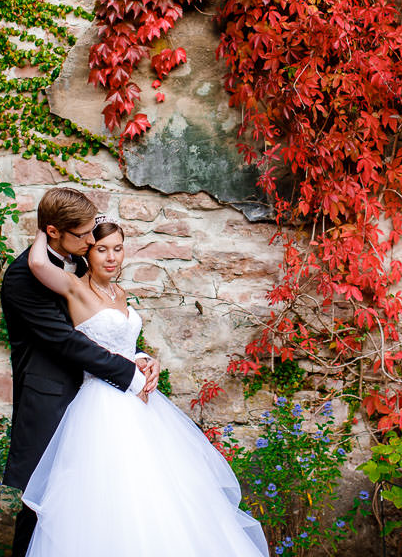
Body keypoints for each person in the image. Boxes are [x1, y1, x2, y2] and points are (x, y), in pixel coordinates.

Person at [20, 218, 268, 557]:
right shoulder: (75, 287)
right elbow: (37, 264)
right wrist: (44, 224)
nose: (111, 257)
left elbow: (121, 342)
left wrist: (145, 358)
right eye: (102, 249)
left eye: (118, 249)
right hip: (101, 405)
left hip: (141, 402)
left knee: (163, 492)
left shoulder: (119, 293)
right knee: (114, 492)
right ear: (88, 253)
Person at [0, 188, 160, 557]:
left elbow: (100, 323)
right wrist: (130, 374)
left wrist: (139, 356)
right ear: (53, 232)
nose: (92, 241)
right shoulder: (23, 277)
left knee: (110, 500)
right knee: (43, 505)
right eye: (84, 234)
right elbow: (66, 341)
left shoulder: (79, 262)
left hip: (101, 402)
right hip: (53, 400)